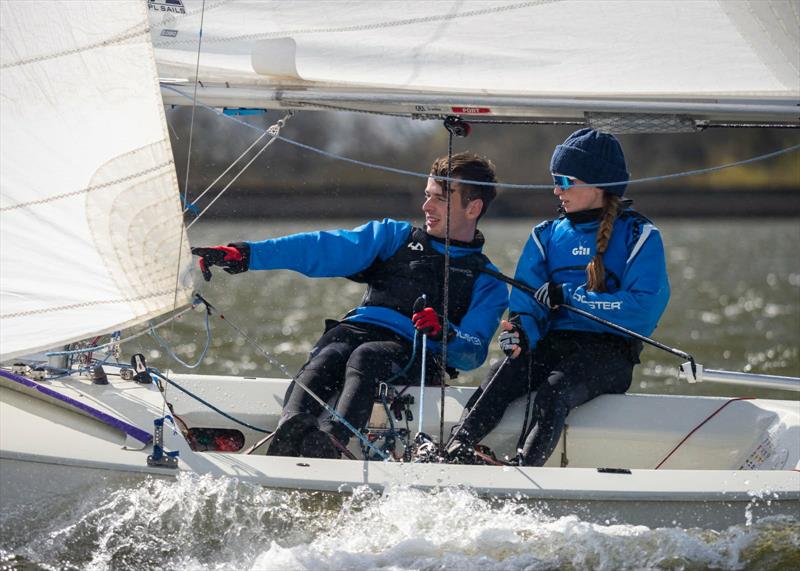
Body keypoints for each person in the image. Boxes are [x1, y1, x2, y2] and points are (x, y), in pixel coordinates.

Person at [192, 152, 508, 459]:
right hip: (355, 329)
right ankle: (290, 429)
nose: (426, 206)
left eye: (441, 198)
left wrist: (445, 332)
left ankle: (332, 440)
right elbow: (322, 247)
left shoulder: (488, 281)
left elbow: (473, 352)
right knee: (331, 352)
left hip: (409, 352)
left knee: (367, 356)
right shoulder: (393, 237)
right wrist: (248, 254)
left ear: (473, 208)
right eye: (428, 195)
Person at [447, 128, 670, 466]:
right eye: (555, 181)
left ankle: (525, 469)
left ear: (597, 183)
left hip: (609, 353)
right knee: (500, 375)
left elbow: (642, 311)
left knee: (554, 390)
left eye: (565, 181)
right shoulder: (545, 235)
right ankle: (452, 450)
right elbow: (526, 306)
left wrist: (569, 296)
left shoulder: (640, 235)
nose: (556, 190)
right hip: (551, 344)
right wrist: (520, 333)